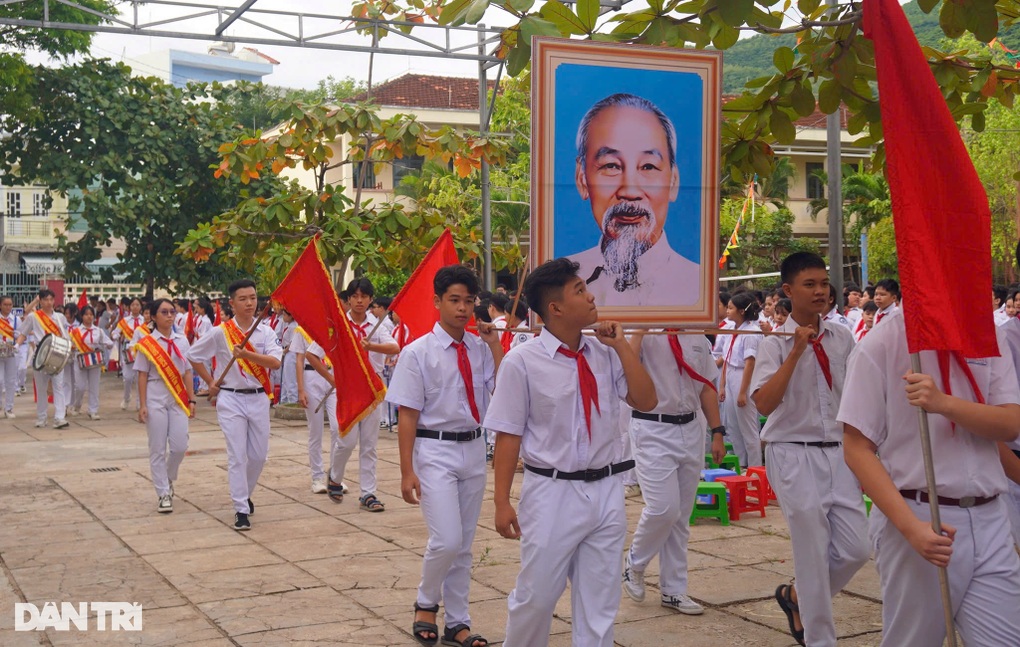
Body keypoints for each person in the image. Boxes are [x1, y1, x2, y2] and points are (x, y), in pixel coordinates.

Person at [485, 258, 657, 647]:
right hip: (552, 492)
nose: (591, 295)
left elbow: (646, 400)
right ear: (555, 309)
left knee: (599, 602)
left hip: (606, 488)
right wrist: (501, 501)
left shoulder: (605, 352)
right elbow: (508, 434)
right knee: (536, 596)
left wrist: (623, 347)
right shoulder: (522, 362)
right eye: (579, 291)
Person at [839, 306, 1020, 645]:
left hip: (991, 516)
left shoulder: (985, 333)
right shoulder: (883, 341)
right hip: (922, 516)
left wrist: (944, 403)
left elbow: (1010, 422)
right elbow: (856, 447)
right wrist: (912, 529)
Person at [750, 252, 869, 647]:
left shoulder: (842, 337)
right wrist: (796, 351)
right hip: (792, 452)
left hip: (838, 450)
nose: (820, 292)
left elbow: (853, 395)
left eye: (823, 284)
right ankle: (821, 640)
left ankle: (796, 596)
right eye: (810, 285)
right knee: (812, 552)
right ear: (788, 291)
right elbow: (764, 405)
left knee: (856, 548)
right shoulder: (774, 343)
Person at [386, 264, 503, 647]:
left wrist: (495, 347)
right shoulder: (417, 352)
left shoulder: (479, 348)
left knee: (465, 544)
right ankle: (424, 601)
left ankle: (458, 621)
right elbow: (407, 414)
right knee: (446, 539)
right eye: (454, 300)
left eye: (469, 301)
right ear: (437, 301)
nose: (463, 309)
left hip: (473, 447)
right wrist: (407, 471)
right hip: (434, 450)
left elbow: (501, 392)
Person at [622, 326, 725, 616]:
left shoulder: (696, 337)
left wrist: (717, 431)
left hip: (691, 428)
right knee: (662, 509)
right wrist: (639, 332)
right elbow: (625, 373)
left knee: (680, 516)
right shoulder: (643, 333)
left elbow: (706, 386)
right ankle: (635, 562)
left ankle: (673, 589)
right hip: (652, 427)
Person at [566, 93, 699, 307]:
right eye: (611, 166)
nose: (629, 191)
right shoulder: (563, 282)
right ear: (581, 178)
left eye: (648, 167)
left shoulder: (696, 285)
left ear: (673, 181)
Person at [187, 279, 282, 531]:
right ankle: (240, 508)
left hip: (259, 396)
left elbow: (274, 363)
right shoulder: (221, 332)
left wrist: (247, 355)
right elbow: (193, 355)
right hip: (230, 398)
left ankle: (245, 493)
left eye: (253, 297)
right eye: (243, 299)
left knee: (259, 455)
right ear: (232, 303)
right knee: (237, 455)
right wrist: (211, 381)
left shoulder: (266, 331)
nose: (250, 303)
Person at [333, 278, 399, 511]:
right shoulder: (340, 325)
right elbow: (315, 352)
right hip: (349, 390)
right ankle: (335, 477)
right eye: (355, 296)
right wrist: (334, 378)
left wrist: (371, 347)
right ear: (349, 299)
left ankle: (368, 493)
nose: (359, 301)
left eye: (364, 297)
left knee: (369, 444)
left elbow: (394, 348)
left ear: (371, 300)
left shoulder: (377, 327)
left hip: (373, 390)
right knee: (347, 442)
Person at [135, 299, 196, 514]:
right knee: (157, 447)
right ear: (153, 316)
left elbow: (188, 371)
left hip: (177, 395)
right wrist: (142, 404)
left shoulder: (182, 341)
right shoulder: (147, 343)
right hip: (155, 393)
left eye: (172, 311)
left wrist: (191, 398)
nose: (169, 315)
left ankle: (168, 477)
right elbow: (142, 374)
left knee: (180, 446)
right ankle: (162, 493)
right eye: (164, 312)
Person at [718, 292, 764, 467]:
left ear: (742, 311)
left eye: (731, 308)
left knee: (748, 426)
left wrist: (743, 392)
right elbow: (726, 358)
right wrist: (722, 386)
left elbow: (750, 363)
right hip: (730, 373)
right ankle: (742, 464)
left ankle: (754, 467)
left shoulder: (751, 332)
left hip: (743, 376)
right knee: (733, 426)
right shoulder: (732, 329)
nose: (728, 312)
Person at [292, 324, 337, 495]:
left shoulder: (332, 326)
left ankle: (335, 475)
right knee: (316, 430)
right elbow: (299, 360)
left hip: (333, 376)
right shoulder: (302, 329)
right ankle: (317, 476)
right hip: (312, 378)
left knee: (337, 428)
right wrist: (301, 389)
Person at [16, 289, 71, 429]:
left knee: (58, 387)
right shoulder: (34, 317)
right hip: (40, 356)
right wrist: (16, 345)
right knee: (41, 389)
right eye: (46, 299)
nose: (49, 302)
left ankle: (59, 418)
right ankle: (41, 417)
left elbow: (65, 335)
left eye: (51, 299)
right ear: (40, 301)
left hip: (57, 355)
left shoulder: (60, 317)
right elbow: (23, 333)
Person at [69, 306, 113, 420]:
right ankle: (77, 405)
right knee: (80, 386)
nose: (89, 317)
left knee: (94, 386)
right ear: (82, 316)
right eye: (86, 314)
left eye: (91, 314)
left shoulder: (98, 331)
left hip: (94, 359)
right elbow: (69, 344)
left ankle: (93, 410)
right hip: (80, 359)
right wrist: (72, 348)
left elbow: (108, 342)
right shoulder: (76, 331)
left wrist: (107, 344)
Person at [112, 297, 144, 410]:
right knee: (127, 377)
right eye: (133, 305)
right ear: (129, 307)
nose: (135, 307)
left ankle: (140, 402)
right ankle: (126, 398)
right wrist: (116, 336)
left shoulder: (144, 321)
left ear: (141, 307)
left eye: (137, 305)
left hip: (141, 351)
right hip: (127, 350)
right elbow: (115, 332)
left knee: (140, 377)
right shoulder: (124, 321)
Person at [0, 295, 21, 418]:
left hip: (11, 353)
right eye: (5, 304)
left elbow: (21, 334)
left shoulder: (16, 320)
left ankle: (9, 408)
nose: (8, 307)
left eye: (10, 305)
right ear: (0, 305)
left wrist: (16, 344)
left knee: (11, 381)